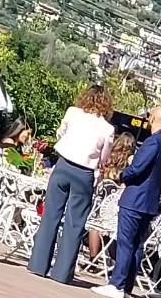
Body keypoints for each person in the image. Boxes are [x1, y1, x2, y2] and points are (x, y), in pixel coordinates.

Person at [27, 86, 115, 284]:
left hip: (63, 165)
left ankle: (38, 264)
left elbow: (61, 133)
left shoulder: (72, 113)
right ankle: (62, 272)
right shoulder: (108, 129)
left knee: (50, 216)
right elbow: (104, 157)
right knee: (74, 223)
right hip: (84, 173)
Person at [92, 106, 161, 298]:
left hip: (136, 198)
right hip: (150, 201)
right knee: (137, 244)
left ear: (153, 118)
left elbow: (137, 168)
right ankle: (127, 287)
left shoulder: (152, 142)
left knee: (125, 241)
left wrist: (123, 175)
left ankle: (117, 284)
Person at [85, 132, 136, 265]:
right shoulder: (131, 163)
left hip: (100, 203)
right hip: (118, 206)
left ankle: (93, 258)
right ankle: (115, 260)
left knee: (95, 223)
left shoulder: (108, 158)